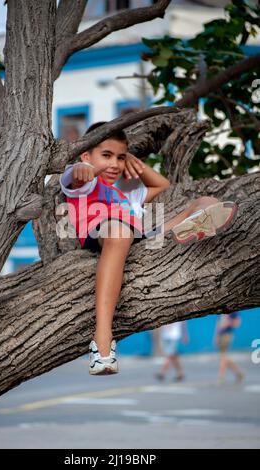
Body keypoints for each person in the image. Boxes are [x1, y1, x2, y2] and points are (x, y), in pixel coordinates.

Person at [59, 121, 238, 376]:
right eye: (106, 155)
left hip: (136, 235)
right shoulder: (85, 185)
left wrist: (132, 162)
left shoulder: (122, 196)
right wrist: (81, 168)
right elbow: (73, 176)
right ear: (87, 155)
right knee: (119, 230)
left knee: (206, 201)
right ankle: (102, 339)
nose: (115, 164)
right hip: (101, 232)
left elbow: (162, 186)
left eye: (120, 158)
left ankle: (186, 227)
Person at [214, 312, 244, 383]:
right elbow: (218, 323)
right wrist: (216, 336)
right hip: (220, 334)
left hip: (227, 335)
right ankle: (239, 373)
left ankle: (221, 377)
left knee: (223, 356)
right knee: (223, 357)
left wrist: (228, 323)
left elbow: (238, 323)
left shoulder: (233, 310)